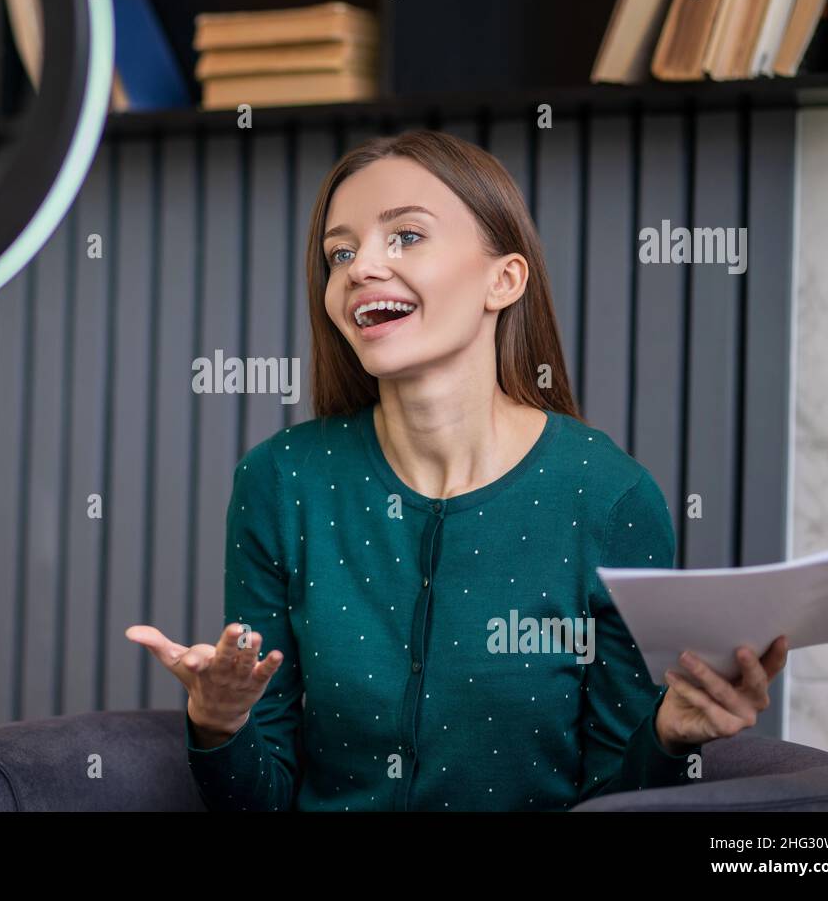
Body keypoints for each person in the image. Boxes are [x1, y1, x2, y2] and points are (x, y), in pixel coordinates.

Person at [127, 129, 787, 811]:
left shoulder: (608, 498)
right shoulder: (280, 481)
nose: (361, 268)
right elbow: (260, 801)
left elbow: (615, 799)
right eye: (341, 252)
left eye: (405, 236)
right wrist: (219, 720)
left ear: (503, 279)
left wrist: (671, 738)